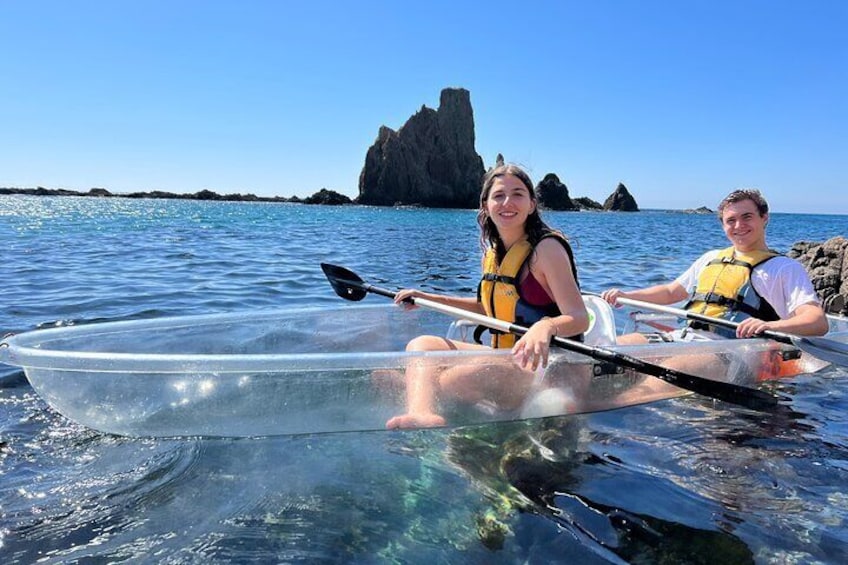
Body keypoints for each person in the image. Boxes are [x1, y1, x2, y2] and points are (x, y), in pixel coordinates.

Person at [385, 164, 589, 429]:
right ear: (485, 205)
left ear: (531, 205)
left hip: (545, 365)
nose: (507, 202)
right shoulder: (492, 254)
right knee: (421, 345)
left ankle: (423, 384)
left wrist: (545, 326)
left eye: (518, 194)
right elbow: (488, 309)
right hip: (506, 357)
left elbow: (579, 317)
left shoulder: (546, 250)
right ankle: (422, 412)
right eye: (498, 195)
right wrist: (427, 298)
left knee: (453, 379)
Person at [602, 188, 828, 343]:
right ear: (723, 225)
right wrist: (626, 295)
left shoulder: (783, 268)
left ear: (764, 218)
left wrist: (769, 327)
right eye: (731, 220)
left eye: (747, 217)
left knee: (652, 381)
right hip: (683, 337)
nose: (738, 225)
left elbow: (817, 322)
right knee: (609, 347)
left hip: (729, 350)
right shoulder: (710, 258)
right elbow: (671, 292)